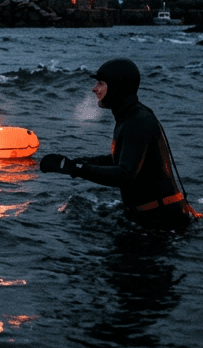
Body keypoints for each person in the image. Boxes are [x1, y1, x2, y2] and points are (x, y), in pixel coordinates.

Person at [39, 58, 194, 230]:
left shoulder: (137, 121)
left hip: (162, 223)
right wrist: (73, 163)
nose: (94, 88)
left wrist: (77, 169)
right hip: (155, 217)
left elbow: (125, 175)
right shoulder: (130, 115)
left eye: (100, 83)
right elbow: (120, 159)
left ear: (117, 87)